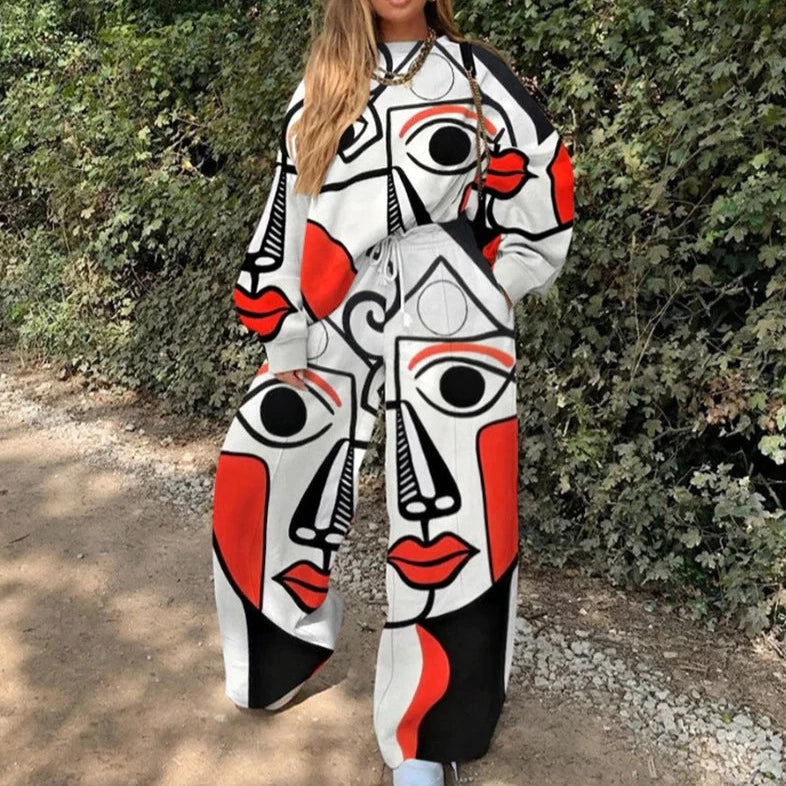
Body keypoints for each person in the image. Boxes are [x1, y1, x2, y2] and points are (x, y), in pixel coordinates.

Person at [211, 0, 574, 783]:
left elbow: (542, 176)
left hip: (450, 300)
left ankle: (429, 734)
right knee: (263, 463)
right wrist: (281, 325)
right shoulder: (326, 80)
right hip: (333, 297)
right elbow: (290, 204)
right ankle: (283, 646)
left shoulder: (475, 72)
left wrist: (499, 281)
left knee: (456, 517)